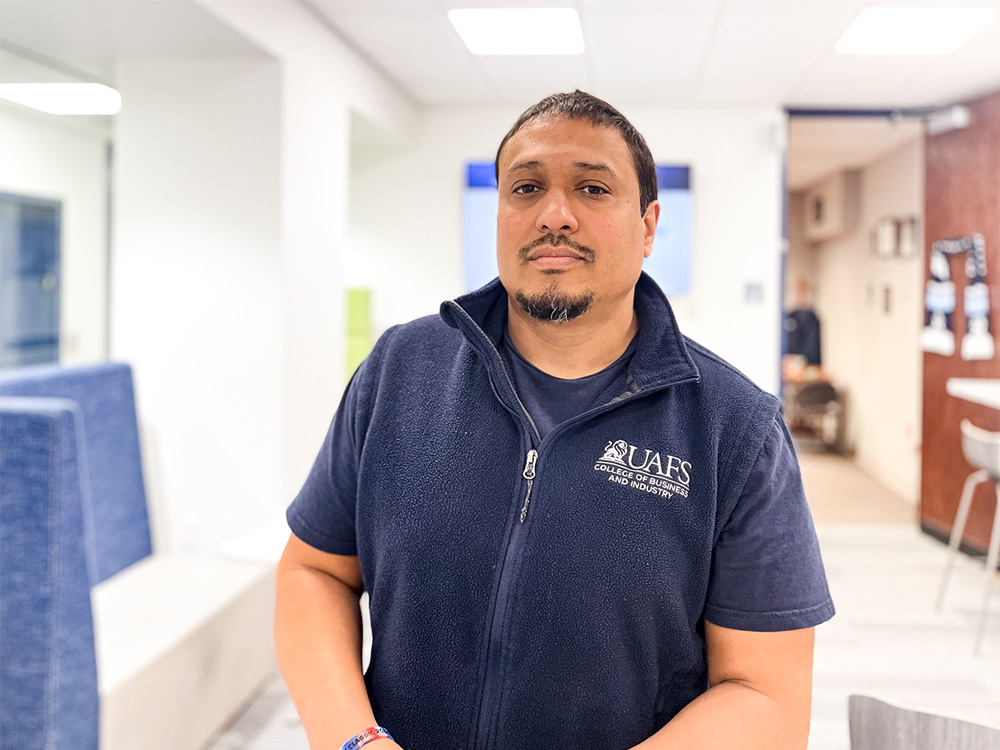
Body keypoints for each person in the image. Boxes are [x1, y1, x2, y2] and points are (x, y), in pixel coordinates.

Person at [275, 91, 835, 750]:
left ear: (649, 227)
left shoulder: (734, 429)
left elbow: (766, 696)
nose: (555, 214)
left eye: (593, 188)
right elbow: (314, 572)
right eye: (526, 187)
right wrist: (355, 741)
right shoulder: (400, 371)